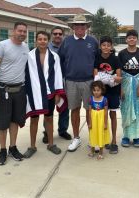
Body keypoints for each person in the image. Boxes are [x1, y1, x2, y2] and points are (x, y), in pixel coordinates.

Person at [0, 22, 29, 165]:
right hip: (2, 90)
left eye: (25, 31)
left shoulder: (25, 47)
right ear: (13, 31)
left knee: (15, 120)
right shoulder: (2, 45)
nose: (22, 33)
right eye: (20, 31)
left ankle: (13, 147)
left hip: (19, 90)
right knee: (1, 122)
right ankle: (2, 150)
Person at [58, 14, 98, 152]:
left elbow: (98, 61)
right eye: (77, 25)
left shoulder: (93, 41)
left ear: (86, 27)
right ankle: (76, 138)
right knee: (74, 110)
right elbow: (61, 61)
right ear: (73, 27)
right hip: (71, 82)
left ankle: (93, 138)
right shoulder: (66, 41)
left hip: (89, 81)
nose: (80, 28)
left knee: (90, 111)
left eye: (83, 25)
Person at [24, 31, 65, 157]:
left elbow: (58, 74)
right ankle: (32, 146)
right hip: (34, 93)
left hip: (49, 93)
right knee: (34, 119)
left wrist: (58, 92)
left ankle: (51, 144)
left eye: (45, 39)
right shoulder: (29, 56)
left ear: (48, 41)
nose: (42, 41)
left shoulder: (54, 56)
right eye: (40, 39)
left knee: (49, 118)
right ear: (36, 41)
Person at [118, 29, 139, 148]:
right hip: (125, 83)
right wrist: (120, 88)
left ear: (137, 39)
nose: (131, 39)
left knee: (137, 109)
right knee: (125, 109)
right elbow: (119, 72)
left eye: (134, 37)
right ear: (126, 39)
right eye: (129, 37)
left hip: (137, 82)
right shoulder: (121, 54)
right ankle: (125, 136)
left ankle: (136, 136)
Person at [41, 26, 71, 144]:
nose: (57, 35)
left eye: (60, 34)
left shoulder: (67, 47)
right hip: (49, 83)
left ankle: (62, 130)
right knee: (48, 108)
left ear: (62, 35)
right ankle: (47, 132)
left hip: (65, 80)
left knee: (64, 107)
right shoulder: (46, 47)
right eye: (55, 34)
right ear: (51, 35)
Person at [94, 36, 121, 154]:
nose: (106, 47)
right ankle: (102, 140)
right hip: (100, 93)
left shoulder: (115, 59)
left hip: (113, 92)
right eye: (103, 45)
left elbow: (119, 78)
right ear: (100, 46)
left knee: (113, 115)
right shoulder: (96, 58)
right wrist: (110, 79)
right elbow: (96, 78)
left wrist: (107, 78)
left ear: (111, 47)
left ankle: (114, 141)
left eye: (108, 45)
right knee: (100, 116)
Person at [88, 81, 110, 159]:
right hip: (94, 120)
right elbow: (90, 111)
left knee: (101, 134)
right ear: (92, 91)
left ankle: (101, 152)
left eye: (98, 90)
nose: (96, 92)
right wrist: (90, 122)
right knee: (93, 134)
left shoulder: (104, 99)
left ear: (102, 90)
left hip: (101, 120)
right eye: (94, 90)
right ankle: (92, 150)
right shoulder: (91, 99)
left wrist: (105, 123)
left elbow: (106, 112)